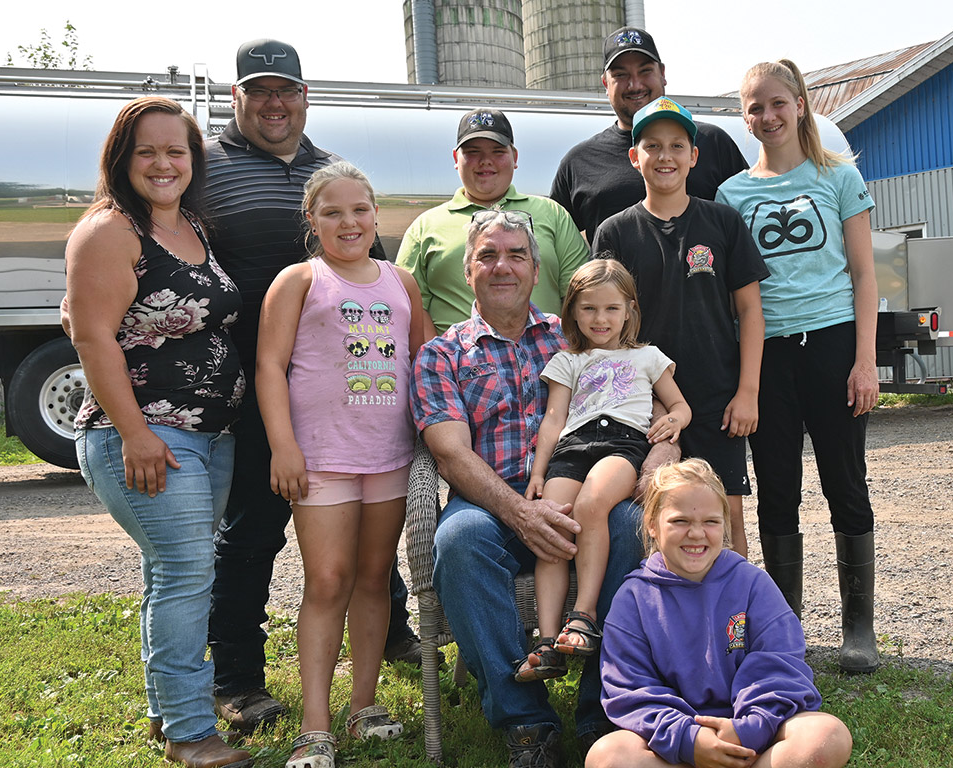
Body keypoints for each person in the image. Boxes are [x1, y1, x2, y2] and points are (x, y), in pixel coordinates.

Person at [204, 39, 421, 734]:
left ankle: (379, 665)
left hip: (355, 403)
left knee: (369, 562)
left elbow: (386, 305)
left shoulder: (331, 172)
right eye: (259, 90)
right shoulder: (204, 166)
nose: (274, 102)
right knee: (252, 538)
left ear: (304, 96)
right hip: (255, 390)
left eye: (286, 90)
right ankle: (237, 680)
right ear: (236, 96)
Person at [411, 212, 644, 767]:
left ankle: (602, 715)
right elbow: (449, 452)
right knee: (460, 541)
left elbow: (635, 397)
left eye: (516, 255)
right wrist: (520, 511)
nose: (502, 267)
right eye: (488, 255)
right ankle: (526, 722)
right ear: (468, 270)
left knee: (630, 526)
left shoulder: (576, 337)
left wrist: (661, 446)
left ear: (535, 268)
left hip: (581, 491)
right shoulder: (441, 354)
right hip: (490, 500)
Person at [67, 96, 253, 768]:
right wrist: (137, 433)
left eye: (176, 150)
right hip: (147, 434)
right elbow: (91, 338)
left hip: (211, 434)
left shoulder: (192, 227)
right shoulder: (110, 232)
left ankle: (165, 710)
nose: (163, 163)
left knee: (170, 572)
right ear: (123, 159)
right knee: (185, 572)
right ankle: (189, 733)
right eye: (147, 150)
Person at [257, 162, 436, 767]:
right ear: (312, 220)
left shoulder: (400, 282)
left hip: (387, 456)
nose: (348, 222)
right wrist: (284, 446)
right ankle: (316, 725)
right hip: (323, 459)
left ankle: (363, 706)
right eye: (332, 212)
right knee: (327, 581)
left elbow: (427, 362)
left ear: (375, 214)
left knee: (372, 578)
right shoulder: (299, 280)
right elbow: (269, 367)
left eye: (359, 209)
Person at [715, 60, 881, 673]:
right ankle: (787, 628)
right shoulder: (733, 194)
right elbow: (737, 294)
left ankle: (858, 629)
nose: (767, 117)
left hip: (834, 344)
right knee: (777, 490)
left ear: (802, 105)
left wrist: (865, 361)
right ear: (745, 116)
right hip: (768, 350)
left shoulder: (839, 177)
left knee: (845, 481)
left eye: (778, 103)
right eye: (755, 107)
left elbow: (865, 276)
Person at [587, 459, 852, 768]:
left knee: (827, 735)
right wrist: (690, 739)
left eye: (710, 522)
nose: (696, 534)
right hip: (675, 747)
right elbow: (631, 689)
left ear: (725, 525)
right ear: (651, 525)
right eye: (680, 521)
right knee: (607, 757)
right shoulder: (632, 599)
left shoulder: (752, 583)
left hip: (753, 740)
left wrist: (747, 729)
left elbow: (779, 663)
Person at [592, 97, 768, 557]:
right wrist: (649, 402)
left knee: (724, 517)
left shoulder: (723, 222)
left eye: (676, 146)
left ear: (694, 156)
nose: (664, 156)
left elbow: (750, 310)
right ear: (635, 157)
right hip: (644, 404)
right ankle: (664, 623)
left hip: (716, 399)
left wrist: (747, 392)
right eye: (652, 146)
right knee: (653, 519)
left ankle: (731, 626)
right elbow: (606, 327)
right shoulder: (615, 232)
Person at [517, 260, 690, 683]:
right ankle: (547, 640)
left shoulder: (648, 357)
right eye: (589, 309)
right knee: (553, 524)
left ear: (629, 309)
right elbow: (554, 419)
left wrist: (674, 422)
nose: (601, 319)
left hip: (623, 445)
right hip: (572, 447)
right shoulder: (567, 360)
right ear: (573, 311)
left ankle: (585, 615)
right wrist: (539, 472)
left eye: (611, 309)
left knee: (591, 504)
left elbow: (681, 405)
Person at [550, 26, 747, 246]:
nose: (635, 85)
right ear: (605, 83)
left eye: (645, 71)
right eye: (621, 75)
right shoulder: (578, 162)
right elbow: (553, 246)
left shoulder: (713, 142)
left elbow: (751, 217)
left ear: (662, 74)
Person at [397, 108, 588, 333]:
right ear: (456, 159)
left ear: (514, 157)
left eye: (498, 151)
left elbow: (580, 294)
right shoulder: (424, 227)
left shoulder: (553, 214)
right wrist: (437, 358)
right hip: (458, 365)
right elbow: (409, 304)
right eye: (473, 152)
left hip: (548, 362)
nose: (485, 161)